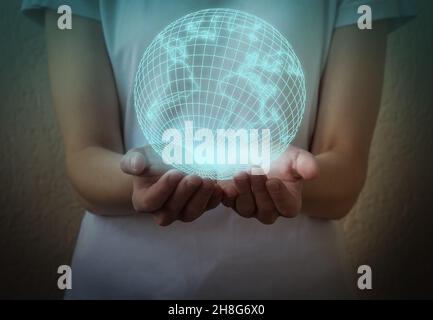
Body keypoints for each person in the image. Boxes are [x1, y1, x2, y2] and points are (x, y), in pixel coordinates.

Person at [22, 0, 415, 299]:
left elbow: (344, 176)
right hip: (123, 282)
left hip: (294, 282)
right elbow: (85, 159)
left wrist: (294, 182)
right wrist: (137, 183)